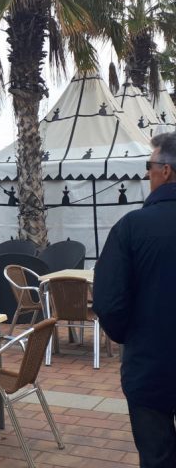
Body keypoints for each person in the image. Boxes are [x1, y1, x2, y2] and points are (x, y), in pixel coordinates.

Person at [93, 132, 176, 468]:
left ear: (166, 171)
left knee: (156, 456)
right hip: (148, 357)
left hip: (149, 364)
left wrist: (133, 338)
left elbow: (109, 301)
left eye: (149, 166)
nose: (147, 174)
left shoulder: (131, 228)